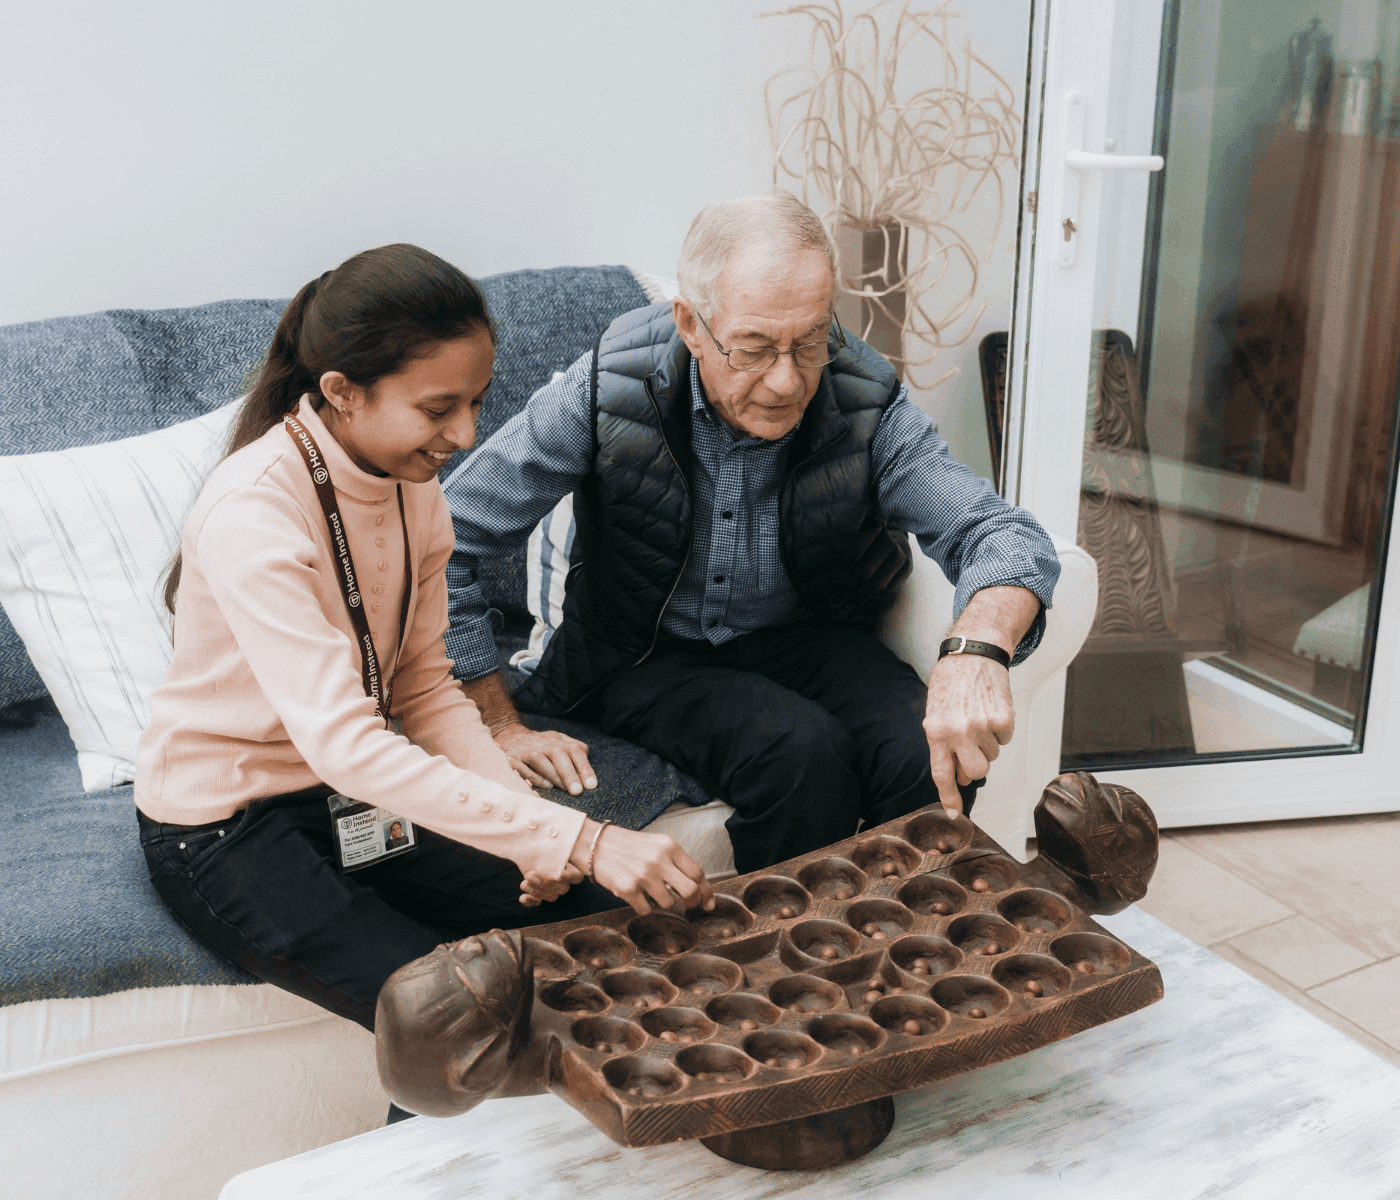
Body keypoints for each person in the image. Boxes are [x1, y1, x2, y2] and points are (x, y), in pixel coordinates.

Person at [135, 244, 714, 1041]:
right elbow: (345, 743)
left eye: (475, 402)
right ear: (342, 392)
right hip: (226, 825)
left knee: (604, 931)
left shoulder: (414, 492)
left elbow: (424, 692)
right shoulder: (253, 514)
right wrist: (576, 834)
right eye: (439, 409)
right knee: (456, 1012)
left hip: (349, 799)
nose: (466, 433)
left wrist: (531, 833)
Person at [443, 194, 1062, 874]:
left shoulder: (864, 398)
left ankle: (904, 947)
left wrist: (976, 651)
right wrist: (496, 723)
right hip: (643, 649)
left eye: (810, 342)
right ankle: (779, 965)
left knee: (920, 748)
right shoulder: (607, 388)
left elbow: (1002, 534)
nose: (786, 379)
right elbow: (447, 540)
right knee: (799, 754)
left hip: (809, 633)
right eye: (755, 348)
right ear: (691, 323)